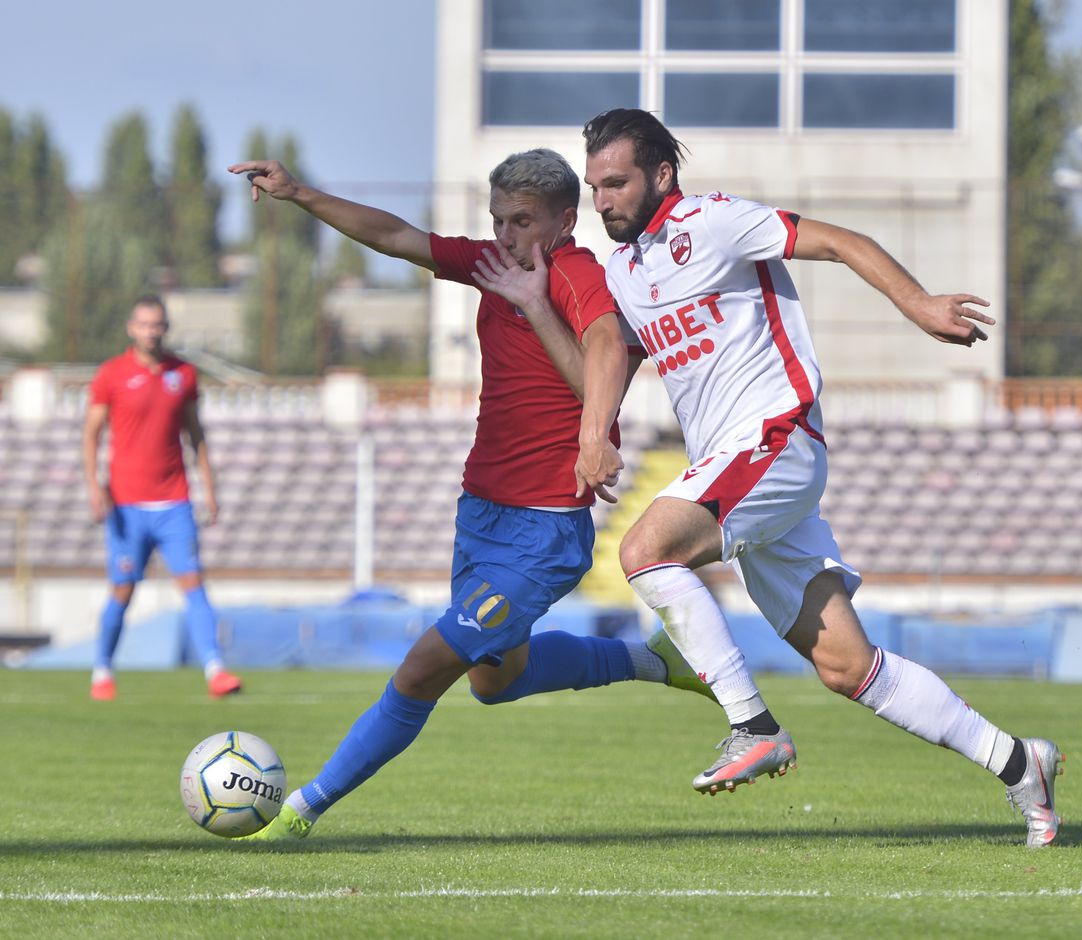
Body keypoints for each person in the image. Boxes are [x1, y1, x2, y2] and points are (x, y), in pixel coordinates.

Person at [482, 109, 1063, 848]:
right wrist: (545, 329)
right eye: (595, 187)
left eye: (617, 182)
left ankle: (752, 725)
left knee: (643, 550)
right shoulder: (626, 271)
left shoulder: (717, 222)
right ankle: (1019, 764)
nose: (603, 201)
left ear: (662, 175)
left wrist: (917, 304)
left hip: (775, 438)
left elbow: (841, 241)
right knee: (848, 668)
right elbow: (603, 375)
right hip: (739, 467)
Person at [224, 148, 714, 842]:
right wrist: (301, 194)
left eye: (521, 221)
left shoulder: (575, 274)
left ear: (563, 221)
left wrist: (595, 432)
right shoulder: (495, 265)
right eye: (498, 220)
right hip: (480, 516)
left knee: (425, 668)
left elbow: (604, 346)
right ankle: (653, 659)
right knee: (494, 680)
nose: (507, 236)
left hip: (543, 533)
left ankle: (301, 811)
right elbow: (396, 238)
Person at [82, 295, 242, 700]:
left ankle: (215, 670)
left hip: (174, 501)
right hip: (127, 503)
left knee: (193, 582)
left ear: (165, 329)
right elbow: (92, 433)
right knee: (123, 590)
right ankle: (102, 670)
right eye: (144, 324)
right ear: (130, 328)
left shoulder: (183, 374)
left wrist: (209, 485)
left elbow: (195, 433)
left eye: (157, 325)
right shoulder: (111, 375)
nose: (150, 331)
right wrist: (94, 485)